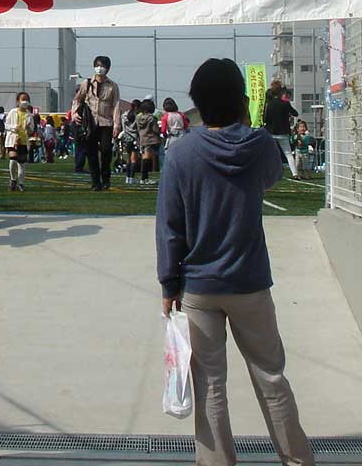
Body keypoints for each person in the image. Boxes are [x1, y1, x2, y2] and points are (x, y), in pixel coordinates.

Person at [157, 58, 314, 466]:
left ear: (197, 103)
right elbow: (271, 178)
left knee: (210, 386)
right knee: (271, 377)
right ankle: (297, 459)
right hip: (250, 281)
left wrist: (168, 283)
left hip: (199, 286)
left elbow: (170, 226)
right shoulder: (259, 146)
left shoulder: (181, 153)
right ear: (241, 100)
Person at [70, 55, 123, 191]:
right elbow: (77, 99)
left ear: (108, 68)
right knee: (91, 153)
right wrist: (74, 113)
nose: (100, 68)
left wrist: (117, 124)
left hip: (106, 122)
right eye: (98, 65)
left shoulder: (113, 86)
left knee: (106, 150)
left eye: (103, 66)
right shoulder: (87, 83)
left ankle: (106, 178)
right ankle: (95, 182)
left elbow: (116, 105)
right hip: (90, 123)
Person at [263, 88, 300, 178]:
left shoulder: (268, 104)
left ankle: (268, 173)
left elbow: (265, 119)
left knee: (269, 154)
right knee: (288, 154)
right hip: (283, 132)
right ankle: (295, 173)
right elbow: (295, 113)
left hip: (271, 132)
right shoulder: (285, 103)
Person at [5, 93, 35, 191]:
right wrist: (14, 127)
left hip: (23, 141)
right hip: (13, 139)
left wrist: (28, 128)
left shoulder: (29, 115)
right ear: (18, 101)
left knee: (21, 163)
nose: (25, 101)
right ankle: (13, 180)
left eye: (26, 99)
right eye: (23, 99)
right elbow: (6, 125)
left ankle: (21, 183)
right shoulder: (13, 112)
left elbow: (31, 130)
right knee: (13, 159)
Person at [135, 99, 161, 186]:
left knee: (144, 157)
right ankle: (144, 178)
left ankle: (144, 178)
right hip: (150, 139)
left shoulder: (138, 117)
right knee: (147, 158)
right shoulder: (152, 118)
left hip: (142, 139)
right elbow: (155, 129)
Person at [120, 100, 140, 184]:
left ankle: (127, 177)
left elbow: (123, 126)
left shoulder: (124, 115)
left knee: (128, 158)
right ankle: (131, 177)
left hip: (126, 137)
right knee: (133, 159)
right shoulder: (137, 116)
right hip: (134, 137)